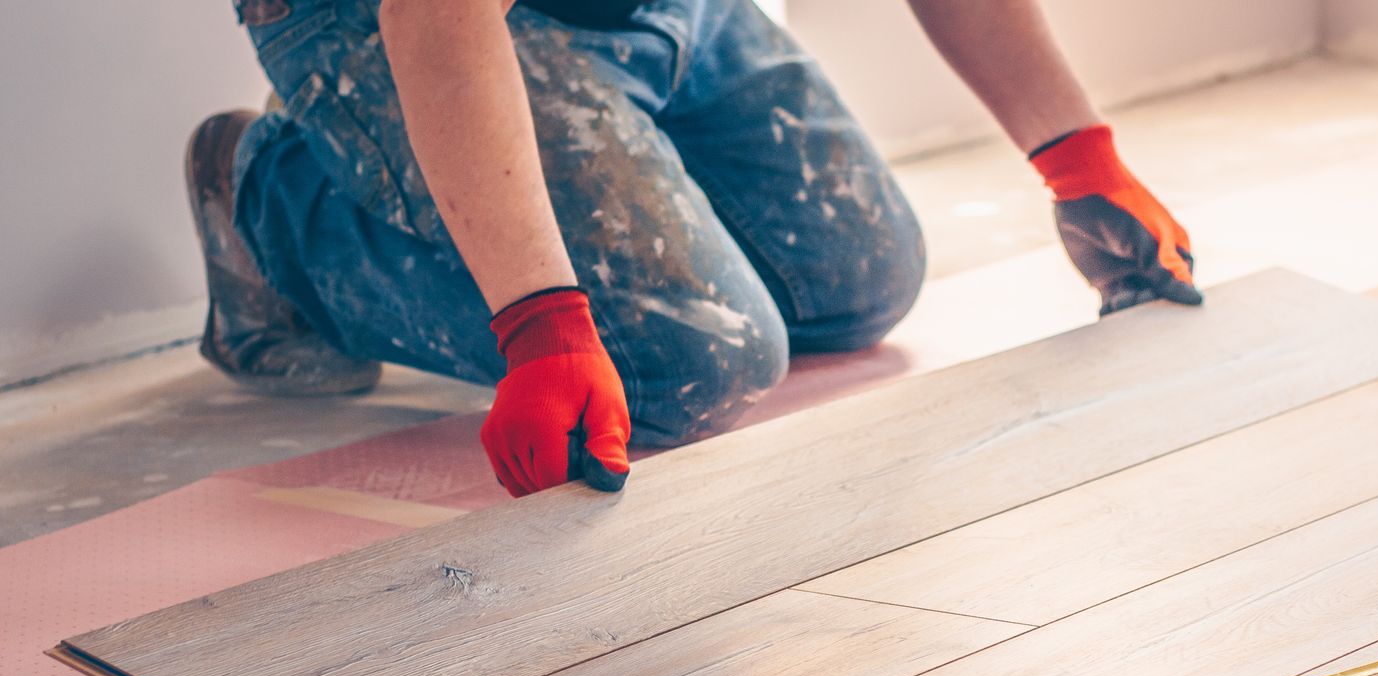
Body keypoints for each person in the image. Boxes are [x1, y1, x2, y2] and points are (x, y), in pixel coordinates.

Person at [191, 0, 1202, 496]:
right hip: (383, 16)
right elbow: (437, 18)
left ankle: (591, 154)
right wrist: (543, 323)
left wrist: (1082, 159)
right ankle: (271, 200)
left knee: (858, 284)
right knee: (688, 364)